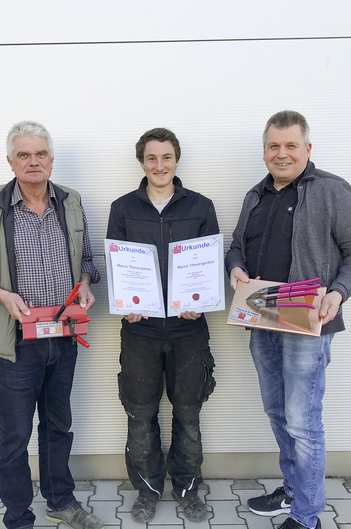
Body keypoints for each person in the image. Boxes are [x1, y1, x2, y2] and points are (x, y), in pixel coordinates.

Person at [225, 111, 351, 529]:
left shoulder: (331, 190)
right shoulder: (255, 195)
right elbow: (236, 246)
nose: (282, 153)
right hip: (260, 313)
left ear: (307, 149)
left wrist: (339, 292)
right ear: (265, 150)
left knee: (303, 422)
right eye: (274, 146)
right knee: (277, 411)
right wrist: (235, 269)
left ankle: (307, 516)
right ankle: (292, 489)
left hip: (307, 319)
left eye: (291, 145)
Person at [0, 121, 103, 529]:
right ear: (10, 161)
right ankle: (18, 515)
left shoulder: (70, 203)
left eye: (40, 154)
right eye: (24, 154)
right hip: (14, 343)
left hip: (64, 337)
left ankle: (60, 500)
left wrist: (86, 285)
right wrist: (2, 295)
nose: (33, 161)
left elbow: (87, 261)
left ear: (51, 161)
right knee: (15, 435)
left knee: (58, 425)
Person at [106, 128, 218, 523]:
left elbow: (208, 266)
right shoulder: (122, 209)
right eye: (151, 158)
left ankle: (188, 491)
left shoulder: (201, 206)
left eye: (166, 157)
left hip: (189, 331)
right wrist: (125, 304)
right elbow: (116, 265)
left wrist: (199, 301)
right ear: (142, 162)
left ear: (176, 160)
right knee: (141, 415)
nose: (159, 165)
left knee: (188, 415)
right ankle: (147, 492)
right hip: (140, 331)